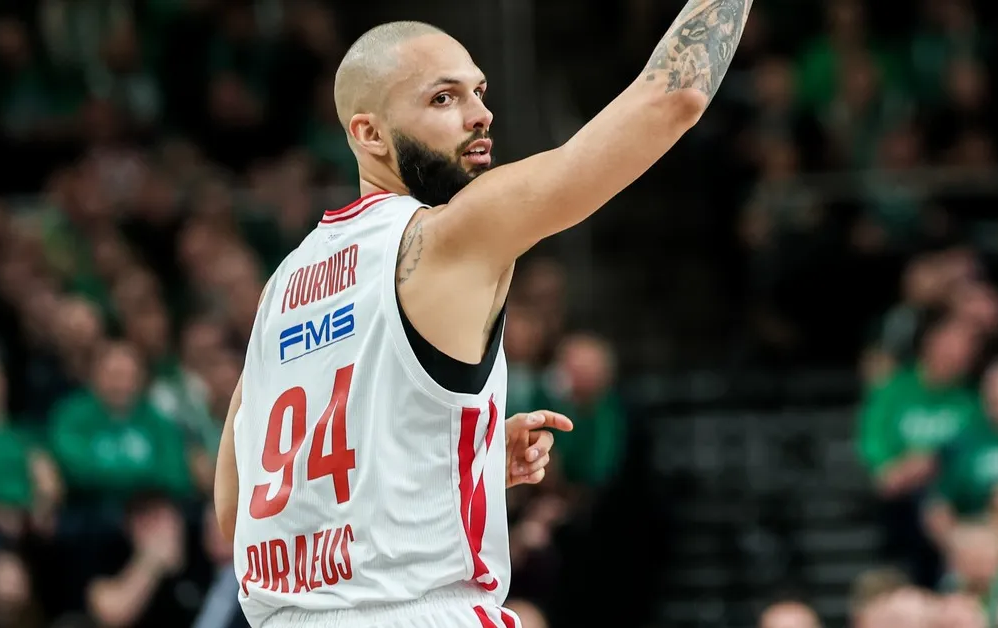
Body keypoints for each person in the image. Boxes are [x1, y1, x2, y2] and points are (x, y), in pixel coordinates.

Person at [213, 0, 754, 625]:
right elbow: (672, 98)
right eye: (444, 98)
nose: (481, 114)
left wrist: (454, 472)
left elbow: (236, 514)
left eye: (480, 91)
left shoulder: (280, 289)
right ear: (369, 134)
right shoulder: (447, 235)